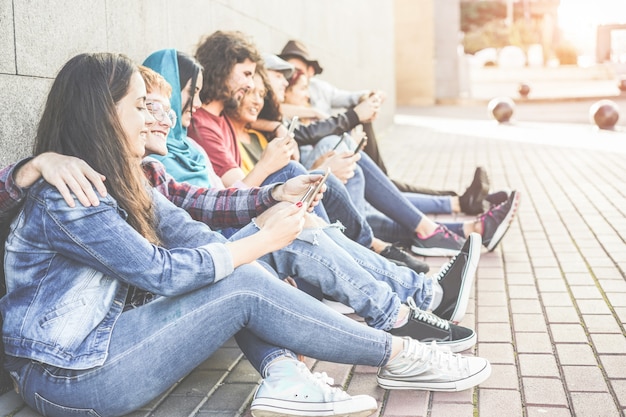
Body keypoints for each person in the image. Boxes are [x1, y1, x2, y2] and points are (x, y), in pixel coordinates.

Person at [0, 52, 491, 417]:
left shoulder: (124, 180)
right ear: (102, 115)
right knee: (238, 277)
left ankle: (289, 371)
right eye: (140, 105)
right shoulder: (69, 195)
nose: (156, 116)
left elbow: (193, 225)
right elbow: (160, 272)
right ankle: (399, 351)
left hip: (103, 345)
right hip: (67, 377)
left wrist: (268, 215)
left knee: (238, 262)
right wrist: (257, 241)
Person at [141, 49, 478, 343]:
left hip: (232, 239)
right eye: (148, 107)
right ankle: (406, 293)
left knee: (315, 199)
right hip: (216, 255)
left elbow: (215, 201)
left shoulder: (189, 145)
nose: (195, 104)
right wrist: (273, 194)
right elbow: (207, 213)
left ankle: (422, 290)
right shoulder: (158, 156)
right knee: (301, 208)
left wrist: (276, 194)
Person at [263, 54, 522, 256]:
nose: (291, 80)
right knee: (368, 198)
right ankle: (458, 218)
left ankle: (465, 227)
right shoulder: (273, 119)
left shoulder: (288, 112)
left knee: (373, 195)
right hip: (309, 197)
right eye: (283, 75)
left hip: (320, 189)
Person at [278, 39, 509, 212]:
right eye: (287, 74)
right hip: (323, 168)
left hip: (338, 163)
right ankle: (461, 202)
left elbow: (351, 98)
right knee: (382, 190)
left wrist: (370, 97)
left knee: (384, 186)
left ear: (310, 70)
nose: (292, 77)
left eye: (298, 71)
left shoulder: (320, 89)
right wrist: (312, 112)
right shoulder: (284, 105)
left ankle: (463, 201)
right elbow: (291, 125)